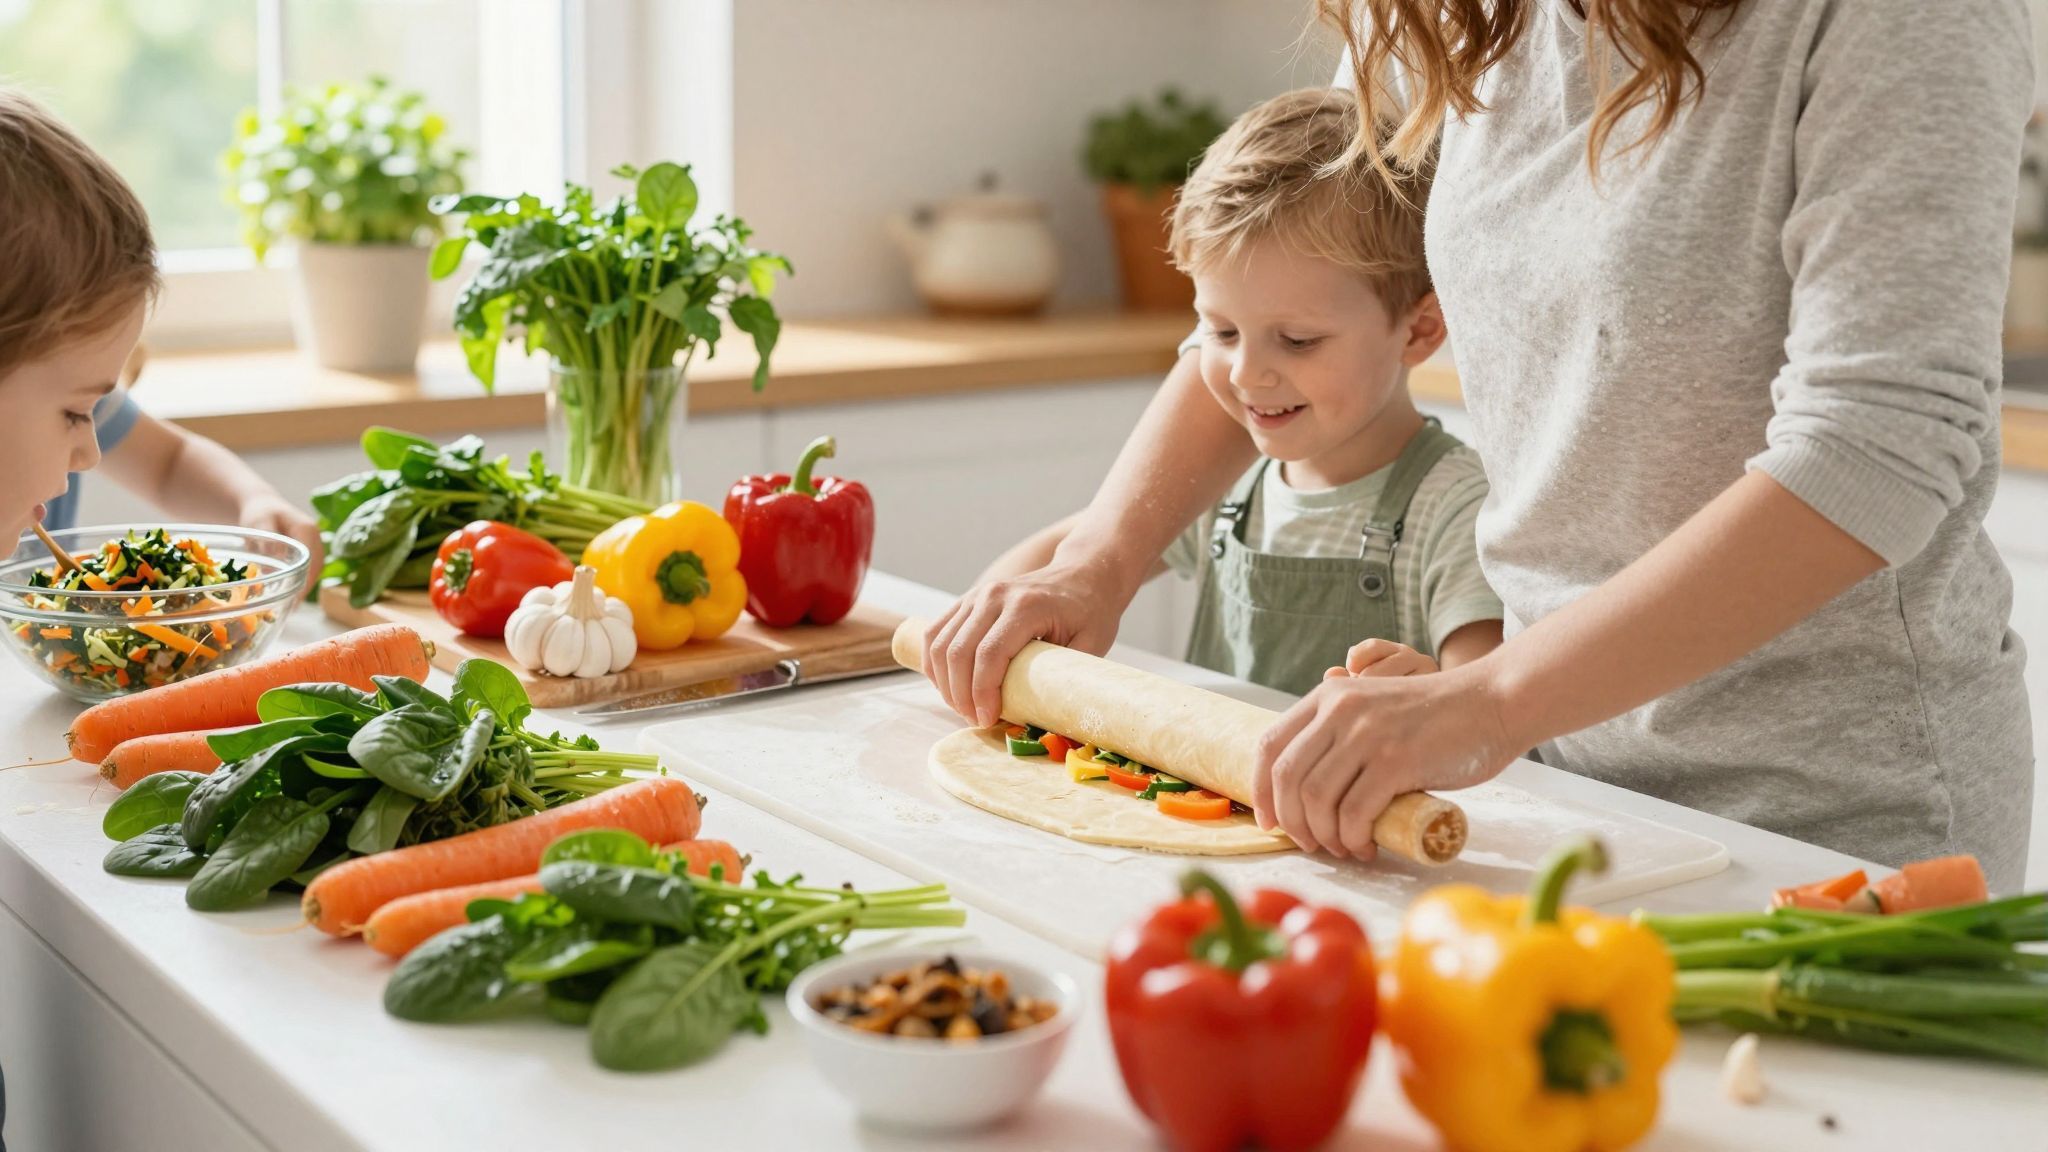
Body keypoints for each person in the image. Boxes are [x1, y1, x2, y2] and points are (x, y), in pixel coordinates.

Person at [924, 0, 2036, 890]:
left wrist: (1490, 700)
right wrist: (1101, 559)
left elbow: (1879, 443)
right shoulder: (1473, 23)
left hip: (1829, 813)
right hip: (1563, 784)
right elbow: (1282, 279)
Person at [978, 88, 1501, 697]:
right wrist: (989, 623)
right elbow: (1056, 566)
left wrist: (1428, 689)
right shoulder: (1221, 484)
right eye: (1220, 331)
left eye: (1298, 340)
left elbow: (1484, 705)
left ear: (1419, 331)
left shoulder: (1458, 510)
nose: (1247, 373)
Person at [1, 88, 325, 572]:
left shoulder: (62, 381)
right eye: (72, 414)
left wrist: (251, 503)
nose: (89, 453)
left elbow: (169, 463)